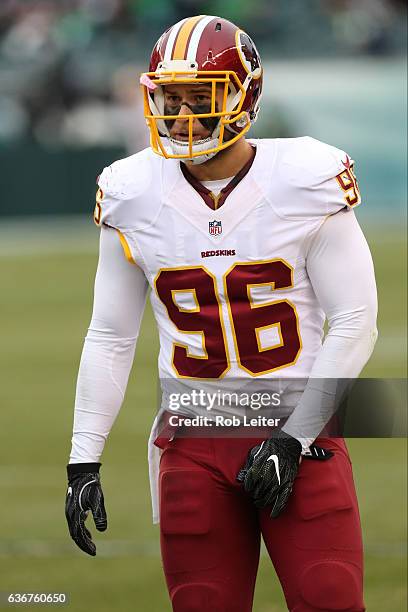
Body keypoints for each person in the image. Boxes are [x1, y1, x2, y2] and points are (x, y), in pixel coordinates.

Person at [65, 15, 378, 612]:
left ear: (245, 95)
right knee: (203, 603)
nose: (181, 115)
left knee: (328, 599)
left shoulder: (305, 178)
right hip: (193, 439)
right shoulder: (132, 190)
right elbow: (110, 335)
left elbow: (357, 320)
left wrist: (294, 437)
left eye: (199, 96)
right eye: (169, 97)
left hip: (302, 437)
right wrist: (84, 456)